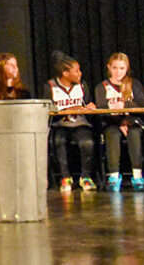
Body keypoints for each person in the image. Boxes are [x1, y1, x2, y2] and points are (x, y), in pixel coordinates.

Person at [44, 50, 97, 192]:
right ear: (66, 73)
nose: (80, 74)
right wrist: (69, 108)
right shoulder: (50, 86)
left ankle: (85, 177)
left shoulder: (82, 85)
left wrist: (91, 105)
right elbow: (47, 110)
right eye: (77, 71)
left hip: (79, 123)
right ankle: (65, 177)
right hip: (60, 124)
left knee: (87, 142)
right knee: (58, 142)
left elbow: (87, 103)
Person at [93, 53, 144, 191]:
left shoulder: (134, 84)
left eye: (122, 68)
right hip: (111, 123)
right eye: (115, 68)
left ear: (127, 68)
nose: (118, 72)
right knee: (112, 134)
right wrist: (118, 120)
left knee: (134, 134)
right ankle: (114, 176)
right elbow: (101, 109)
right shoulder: (102, 87)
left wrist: (126, 113)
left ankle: (137, 175)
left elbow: (142, 106)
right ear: (109, 68)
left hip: (132, 122)